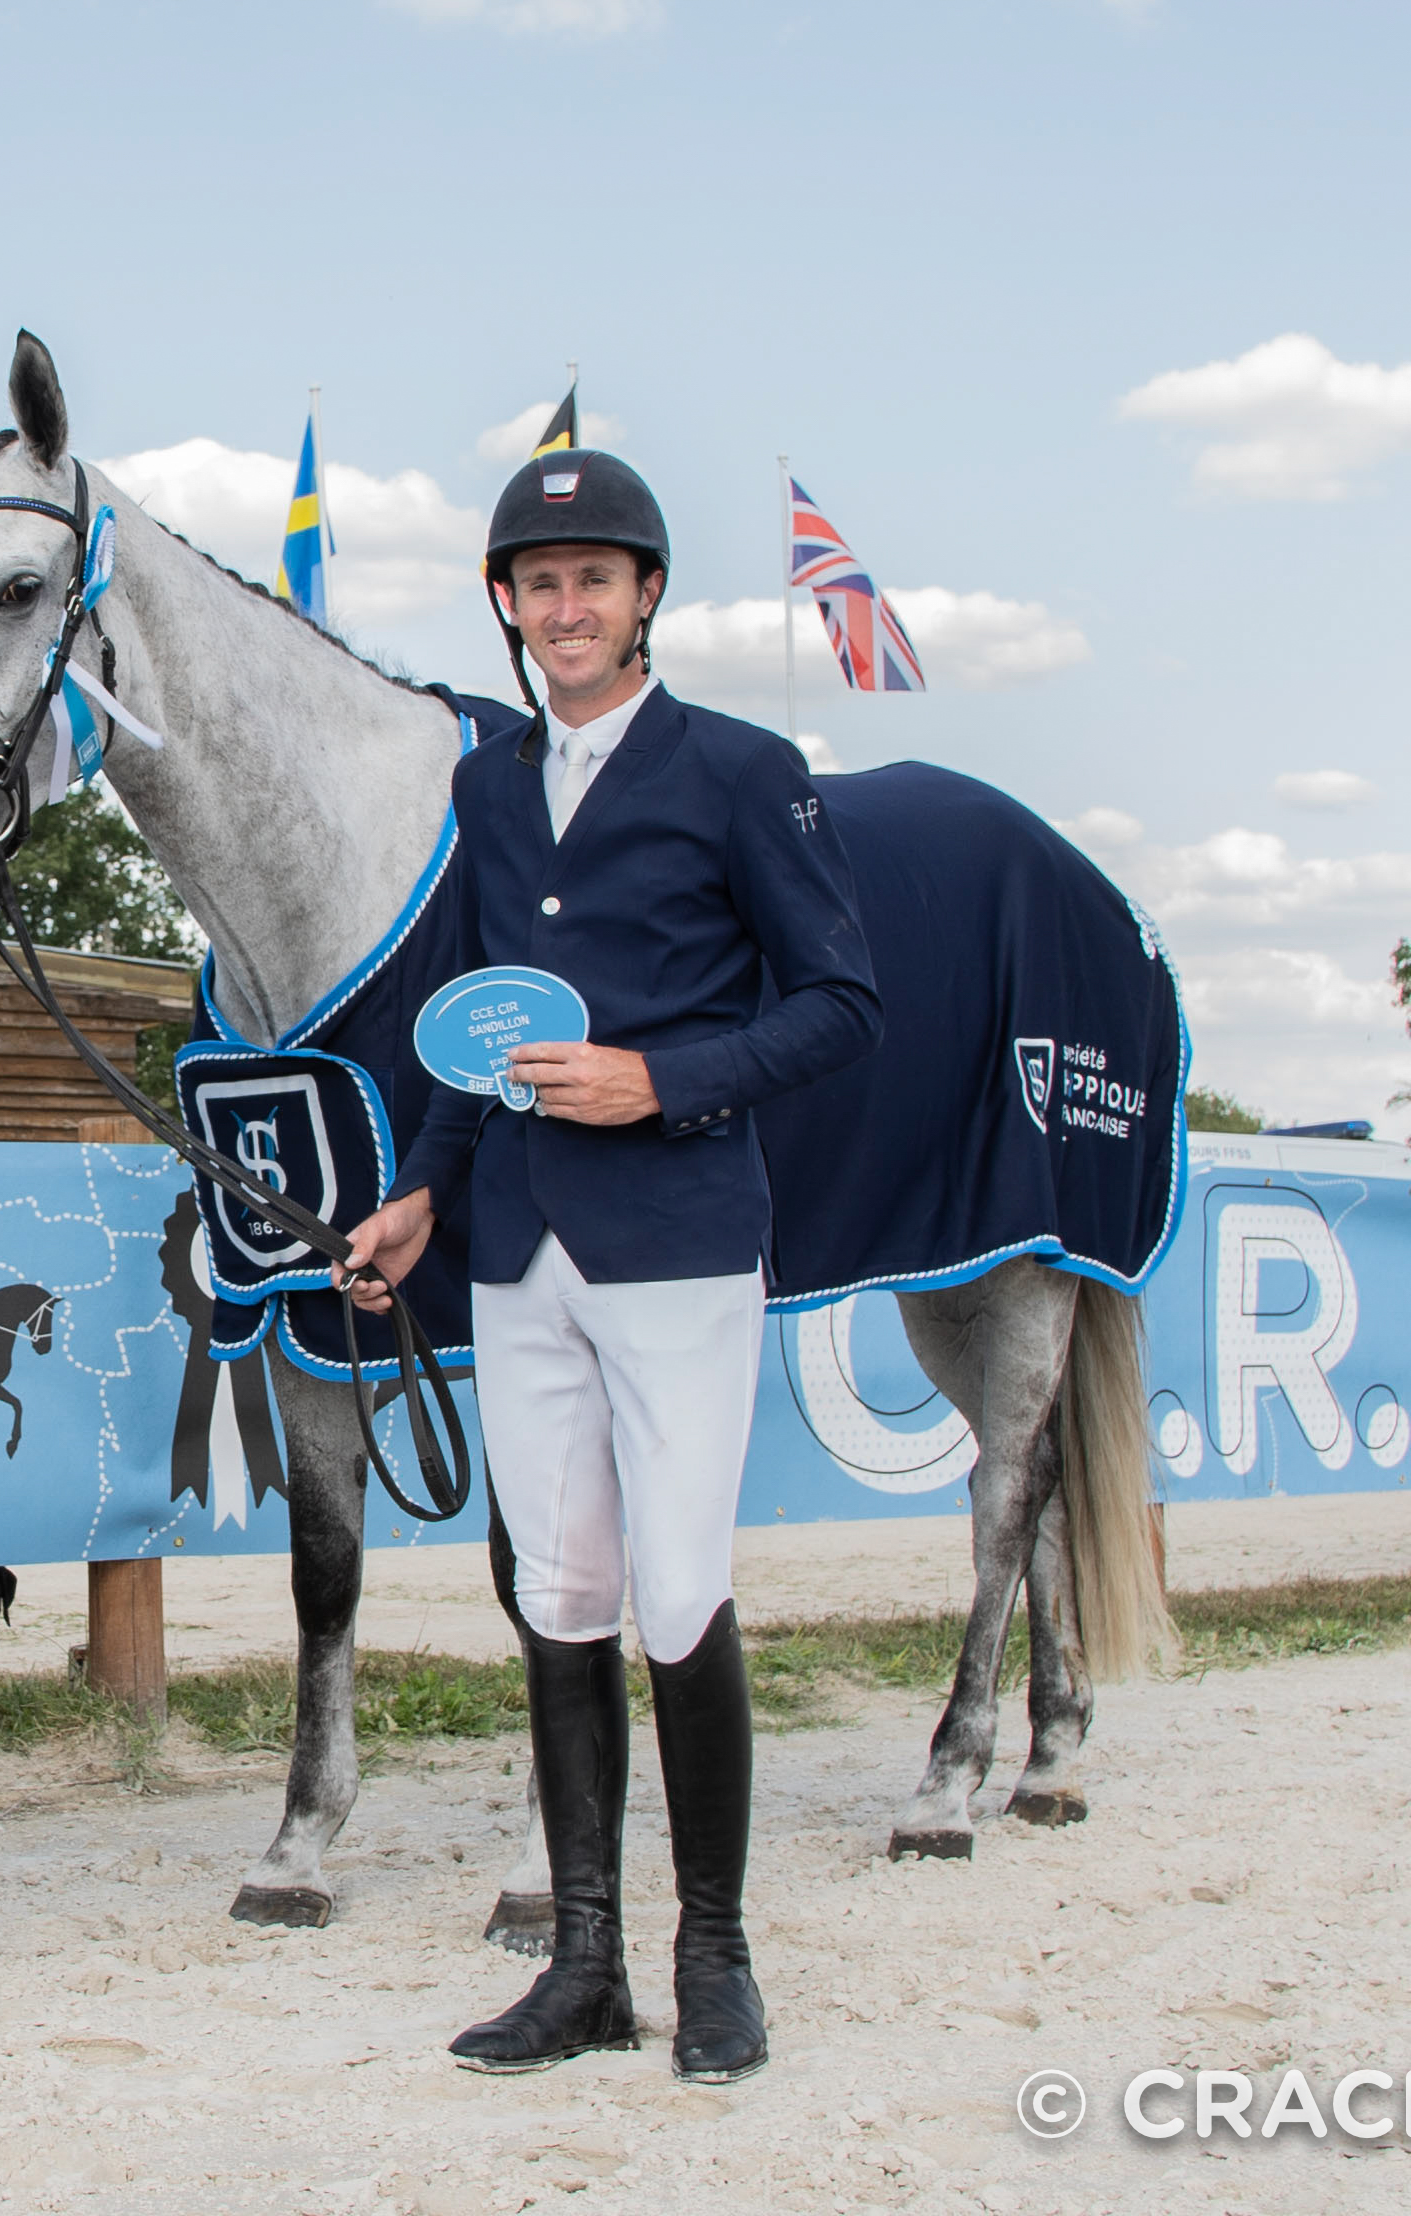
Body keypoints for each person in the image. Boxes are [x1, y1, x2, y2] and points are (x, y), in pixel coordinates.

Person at [343, 451, 881, 2086]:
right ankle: (586, 1965)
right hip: (519, 1245)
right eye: (540, 581)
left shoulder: (742, 770)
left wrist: (664, 1080)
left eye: (595, 577)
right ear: (505, 604)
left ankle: (712, 1953)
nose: (566, 605)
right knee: (558, 1596)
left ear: (646, 594)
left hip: (675, 1241)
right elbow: (474, 1027)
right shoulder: (490, 788)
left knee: (679, 1591)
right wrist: (421, 1192)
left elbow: (840, 1003)